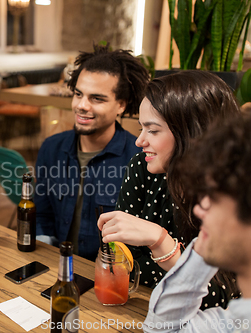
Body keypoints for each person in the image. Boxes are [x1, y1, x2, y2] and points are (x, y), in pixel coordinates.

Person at [98, 70, 241, 309]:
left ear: (195, 134)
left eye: (152, 130)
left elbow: (223, 297)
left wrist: (161, 242)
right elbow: (123, 258)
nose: (139, 141)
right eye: (141, 128)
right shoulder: (143, 167)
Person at [34, 43, 149, 260]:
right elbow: (42, 214)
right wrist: (44, 257)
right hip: (55, 268)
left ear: (121, 105)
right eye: (78, 94)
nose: (82, 105)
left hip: (110, 277)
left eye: (97, 98)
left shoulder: (140, 159)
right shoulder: (52, 148)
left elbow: (143, 239)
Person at [143, 114, 251, 332]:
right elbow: (162, 329)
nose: (199, 209)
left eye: (214, 198)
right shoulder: (237, 320)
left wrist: (163, 243)